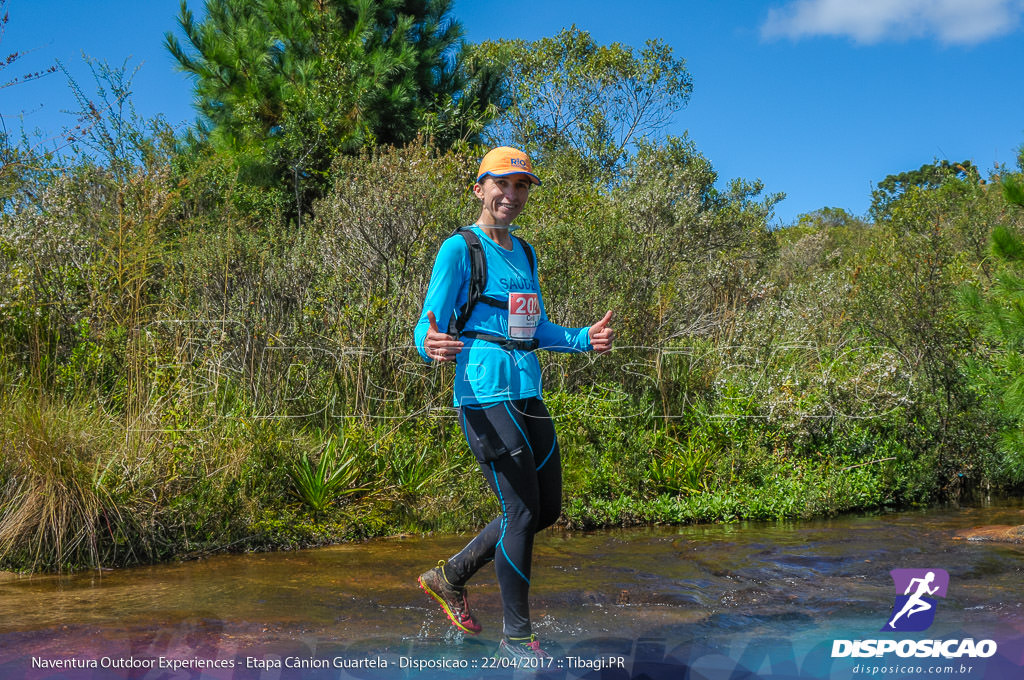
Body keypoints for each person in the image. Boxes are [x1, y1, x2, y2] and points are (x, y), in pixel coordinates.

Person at [413, 146, 614, 660]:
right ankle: (518, 640)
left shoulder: (524, 253)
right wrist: (428, 343)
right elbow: (427, 321)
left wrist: (580, 338)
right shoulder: (459, 249)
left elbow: (532, 328)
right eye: (502, 184)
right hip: (483, 392)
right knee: (520, 511)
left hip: (528, 388)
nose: (512, 194)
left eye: (521, 185)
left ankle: (450, 575)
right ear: (480, 188)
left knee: (546, 510)